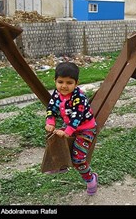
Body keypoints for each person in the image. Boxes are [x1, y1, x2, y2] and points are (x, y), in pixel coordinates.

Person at [45, 62, 98, 196]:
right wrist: (50, 121)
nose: (64, 86)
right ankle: (61, 166)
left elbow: (77, 118)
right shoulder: (57, 94)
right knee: (54, 139)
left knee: (78, 158)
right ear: (55, 81)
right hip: (69, 126)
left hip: (85, 129)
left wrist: (67, 132)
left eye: (69, 82)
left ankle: (91, 179)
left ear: (76, 83)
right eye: (60, 81)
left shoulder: (78, 98)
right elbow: (51, 108)